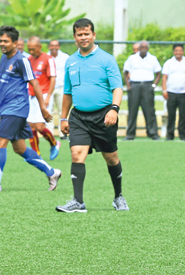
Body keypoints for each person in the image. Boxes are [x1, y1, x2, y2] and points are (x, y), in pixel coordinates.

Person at [0, 25, 61, 192]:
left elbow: (34, 82)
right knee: (19, 148)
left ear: (15, 42)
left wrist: (42, 107)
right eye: (0, 41)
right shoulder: (4, 58)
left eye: (5, 41)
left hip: (16, 109)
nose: (2, 44)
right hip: (7, 109)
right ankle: (52, 172)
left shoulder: (21, 60)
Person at [56, 18, 127, 212]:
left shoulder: (107, 59)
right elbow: (67, 93)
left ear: (93, 35)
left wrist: (114, 109)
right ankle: (78, 202)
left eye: (87, 33)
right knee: (76, 154)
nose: (83, 37)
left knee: (111, 157)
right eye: (79, 34)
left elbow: (118, 88)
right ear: (75, 37)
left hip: (104, 116)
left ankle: (118, 197)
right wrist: (63, 118)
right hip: (78, 117)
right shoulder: (70, 62)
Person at [25, 36, 60, 160]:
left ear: (40, 47)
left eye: (33, 49)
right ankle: (36, 154)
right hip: (31, 95)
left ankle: (54, 143)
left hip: (44, 95)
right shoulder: (28, 59)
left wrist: (48, 97)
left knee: (40, 126)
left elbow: (53, 79)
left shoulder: (48, 59)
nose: (31, 52)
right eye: (29, 49)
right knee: (31, 126)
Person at [123, 40, 162, 140]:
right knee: (132, 110)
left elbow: (158, 74)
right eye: (142, 47)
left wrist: (153, 85)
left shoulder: (153, 59)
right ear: (139, 48)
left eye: (145, 47)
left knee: (150, 110)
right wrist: (128, 85)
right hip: (134, 86)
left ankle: (152, 133)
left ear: (148, 48)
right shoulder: (132, 58)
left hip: (147, 86)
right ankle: (130, 134)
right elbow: (125, 72)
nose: (143, 49)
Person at [161, 43, 185, 141]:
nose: (178, 52)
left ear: (183, 51)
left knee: (183, 115)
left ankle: (182, 135)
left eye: (180, 50)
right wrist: (164, 90)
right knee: (171, 115)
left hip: (184, 93)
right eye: (176, 51)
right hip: (171, 93)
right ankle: (170, 135)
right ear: (173, 52)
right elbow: (164, 78)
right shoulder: (168, 63)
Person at [47, 39, 69, 139]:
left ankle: (63, 132)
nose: (54, 47)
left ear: (59, 47)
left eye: (56, 45)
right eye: (52, 45)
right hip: (49, 89)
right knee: (49, 112)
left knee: (62, 111)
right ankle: (49, 134)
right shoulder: (45, 57)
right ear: (49, 47)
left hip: (61, 88)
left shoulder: (65, 57)